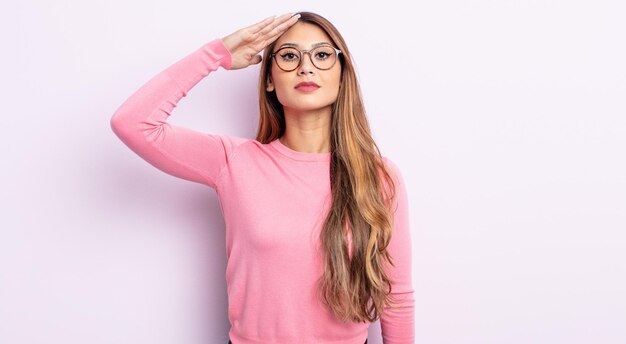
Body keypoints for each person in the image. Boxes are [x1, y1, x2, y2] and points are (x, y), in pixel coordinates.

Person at [110, 11, 414, 344]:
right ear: (269, 79)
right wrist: (218, 54)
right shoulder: (235, 162)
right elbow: (133, 123)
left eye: (323, 55)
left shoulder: (379, 176)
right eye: (288, 56)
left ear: (343, 76)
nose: (305, 66)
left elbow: (396, 296)